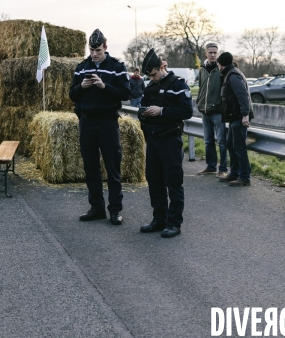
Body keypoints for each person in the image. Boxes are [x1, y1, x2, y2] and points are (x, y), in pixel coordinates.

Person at [70, 28, 130, 225]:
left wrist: (105, 86)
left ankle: (115, 210)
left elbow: (126, 93)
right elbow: (72, 94)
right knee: (90, 166)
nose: (95, 54)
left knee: (112, 166)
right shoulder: (82, 67)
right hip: (86, 121)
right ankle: (96, 208)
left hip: (107, 121)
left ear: (106, 47)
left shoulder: (117, 67)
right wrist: (82, 87)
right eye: (92, 50)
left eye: (98, 50)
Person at [138, 49, 193, 238]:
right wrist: (143, 113)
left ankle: (174, 223)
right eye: (149, 76)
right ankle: (158, 218)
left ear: (162, 66)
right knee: (154, 180)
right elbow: (143, 106)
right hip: (153, 138)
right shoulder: (150, 86)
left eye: (154, 74)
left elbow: (186, 111)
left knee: (173, 181)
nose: (152, 78)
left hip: (170, 138)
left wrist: (161, 111)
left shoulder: (178, 84)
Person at [217, 52, 253, 187]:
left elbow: (242, 95)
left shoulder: (233, 75)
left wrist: (245, 115)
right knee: (231, 145)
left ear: (221, 64)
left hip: (239, 117)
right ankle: (235, 173)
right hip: (235, 117)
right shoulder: (231, 73)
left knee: (238, 147)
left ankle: (244, 177)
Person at [195, 42, 228, 178]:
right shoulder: (202, 69)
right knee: (208, 140)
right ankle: (211, 166)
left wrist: (221, 105)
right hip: (205, 110)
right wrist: (199, 102)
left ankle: (223, 169)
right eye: (211, 52)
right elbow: (202, 87)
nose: (213, 55)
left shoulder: (221, 69)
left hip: (218, 111)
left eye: (215, 52)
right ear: (206, 53)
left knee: (221, 141)